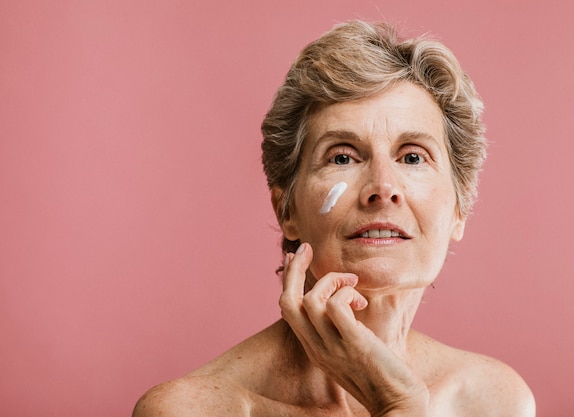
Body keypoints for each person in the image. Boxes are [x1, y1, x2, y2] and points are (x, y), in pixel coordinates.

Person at [133, 20, 535, 416]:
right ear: (286, 210)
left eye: (413, 156)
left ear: (459, 208)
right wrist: (398, 407)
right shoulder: (196, 410)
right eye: (342, 157)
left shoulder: (491, 401)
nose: (382, 186)